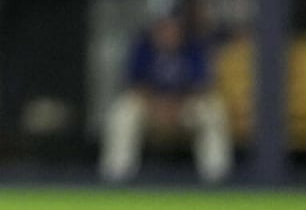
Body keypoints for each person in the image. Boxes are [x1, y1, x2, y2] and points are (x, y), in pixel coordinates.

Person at [99, 12, 233, 184]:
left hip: (185, 108)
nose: (169, 33)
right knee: (123, 111)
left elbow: (203, 85)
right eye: (164, 28)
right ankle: (117, 177)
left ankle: (217, 178)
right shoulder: (143, 46)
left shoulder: (194, 46)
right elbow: (133, 84)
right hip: (150, 107)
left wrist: (176, 105)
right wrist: (157, 105)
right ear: (155, 29)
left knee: (212, 110)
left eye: (173, 28)